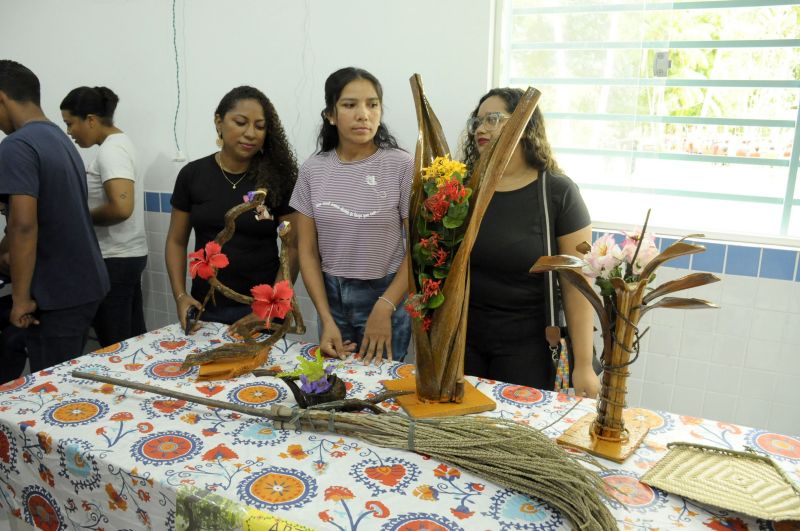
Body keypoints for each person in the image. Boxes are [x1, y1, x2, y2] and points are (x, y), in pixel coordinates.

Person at [461, 87, 600, 398]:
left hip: (530, 349)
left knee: (515, 438)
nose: (481, 128)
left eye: (493, 119)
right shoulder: (463, 190)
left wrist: (584, 366)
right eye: (477, 121)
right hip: (464, 345)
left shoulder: (557, 192)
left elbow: (577, 285)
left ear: (524, 125)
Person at [290, 67, 412, 365]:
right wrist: (325, 316)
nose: (363, 114)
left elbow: (421, 249)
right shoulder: (312, 170)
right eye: (349, 105)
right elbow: (306, 252)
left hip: (388, 297)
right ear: (330, 114)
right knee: (336, 385)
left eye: (372, 104)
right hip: (331, 299)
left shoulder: (402, 166)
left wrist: (385, 308)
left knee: (380, 389)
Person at [0, 60, 109, 373]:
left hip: (58, 292)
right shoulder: (60, 139)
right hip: (86, 284)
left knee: (52, 391)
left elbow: (22, 226)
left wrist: (20, 299)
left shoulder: (17, 145)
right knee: (67, 380)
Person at [166, 86, 298, 330]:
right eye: (240, 122)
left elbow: (293, 248)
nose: (251, 133)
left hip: (262, 311)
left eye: (260, 126)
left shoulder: (277, 179)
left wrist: (272, 307)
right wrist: (180, 296)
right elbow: (176, 240)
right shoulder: (192, 175)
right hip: (205, 305)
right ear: (219, 122)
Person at [60, 86, 148, 346]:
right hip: (124, 257)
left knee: (115, 343)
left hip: (115, 260)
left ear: (91, 120)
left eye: (70, 123)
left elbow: (121, 207)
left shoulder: (112, 150)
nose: (69, 132)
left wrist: (80, 219)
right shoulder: (121, 144)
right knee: (130, 339)